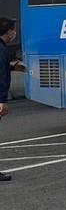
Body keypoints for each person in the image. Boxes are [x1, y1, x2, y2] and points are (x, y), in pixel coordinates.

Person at [0, 17, 21, 180]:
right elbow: (0, 75)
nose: (15, 32)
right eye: (13, 29)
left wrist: (12, 65)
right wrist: (2, 100)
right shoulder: (1, 49)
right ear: (8, 31)